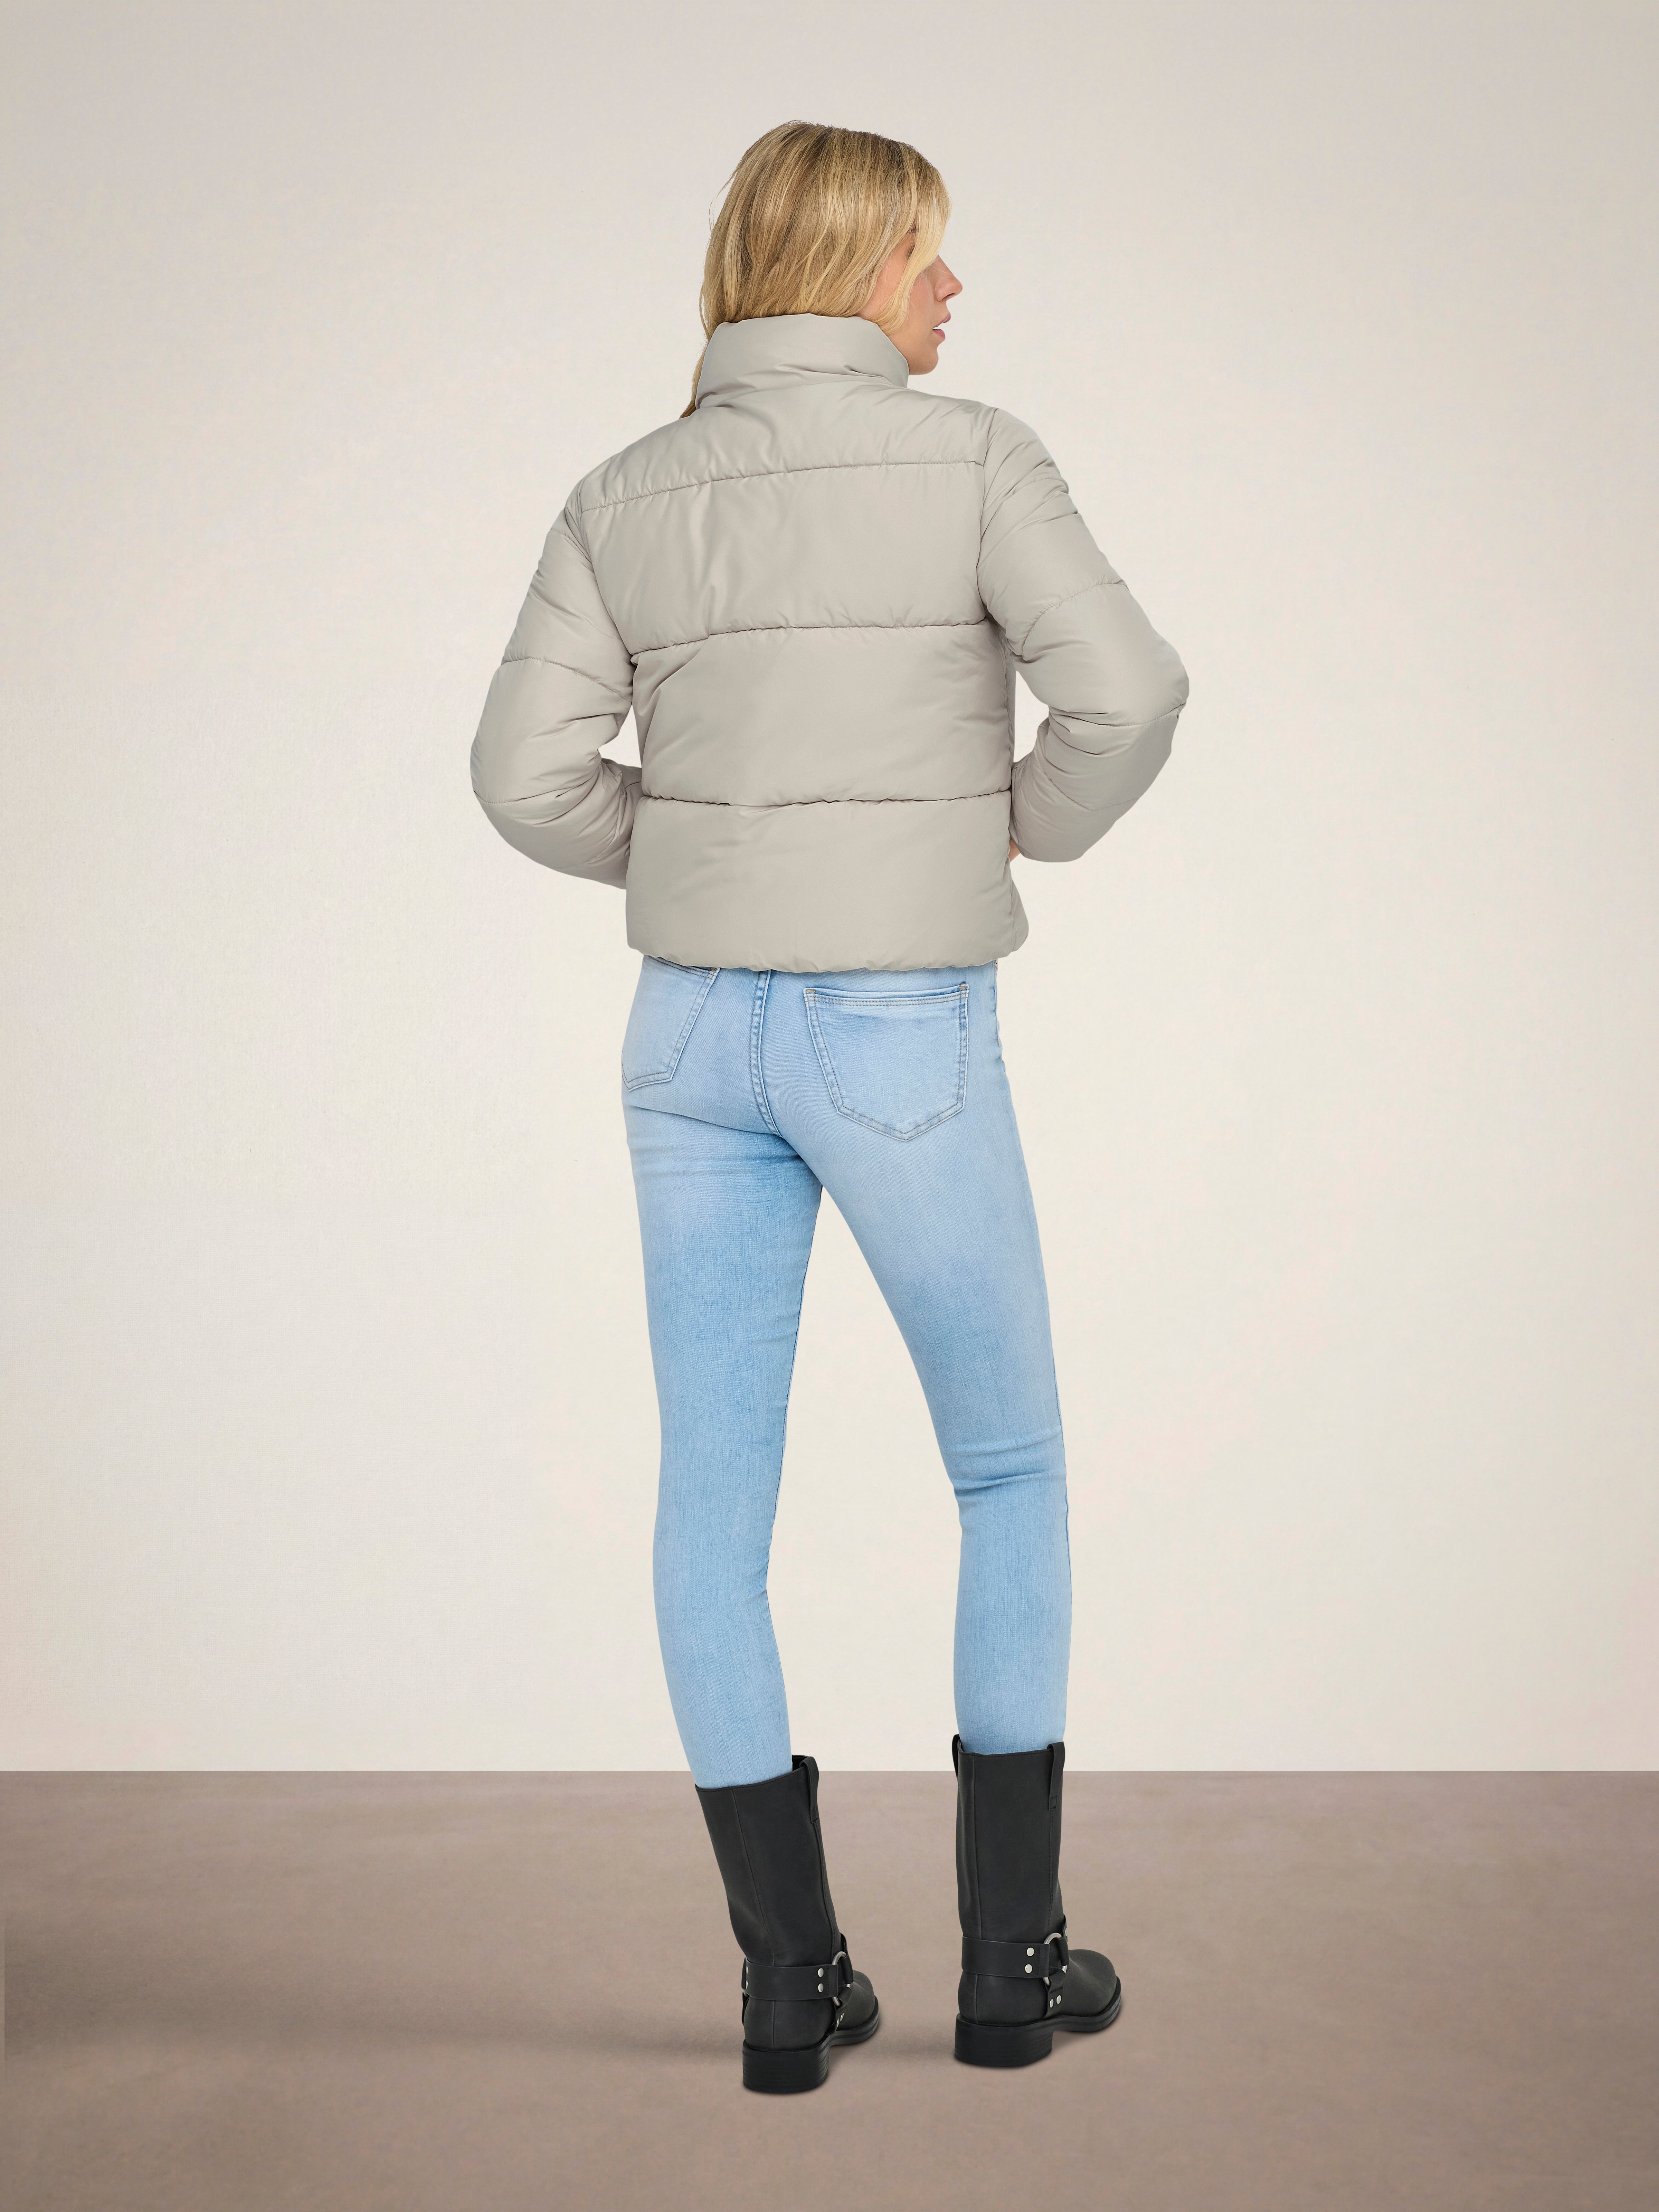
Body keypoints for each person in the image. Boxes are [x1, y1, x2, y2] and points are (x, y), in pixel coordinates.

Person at [470, 121, 1190, 2093]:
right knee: (1007, 1471)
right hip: (896, 1030)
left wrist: (703, 862)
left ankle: (788, 1988)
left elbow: (522, 777)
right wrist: (999, 834)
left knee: (711, 1511)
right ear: (860, 260)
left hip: (689, 1040)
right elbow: (1128, 694)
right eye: (928, 252)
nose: (952, 288)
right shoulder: (977, 460)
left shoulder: (623, 492)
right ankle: (1008, 1969)